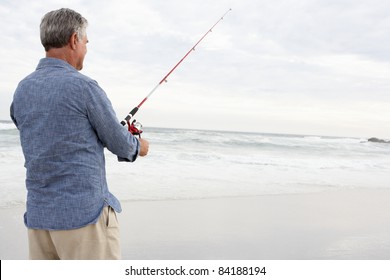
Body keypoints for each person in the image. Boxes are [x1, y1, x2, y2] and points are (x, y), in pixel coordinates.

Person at [10, 8, 149, 259]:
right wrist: (139, 145)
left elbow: (43, 136)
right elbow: (120, 144)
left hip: (40, 220)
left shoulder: (22, 90)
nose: (85, 49)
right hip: (84, 218)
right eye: (85, 42)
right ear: (74, 39)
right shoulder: (84, 87)